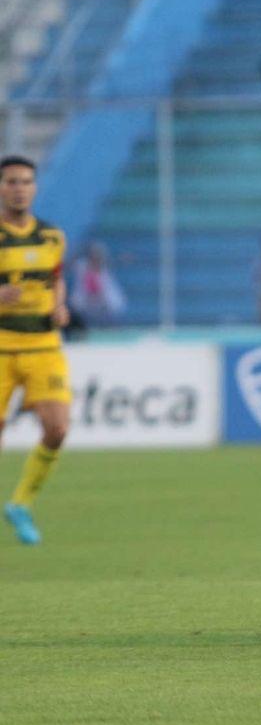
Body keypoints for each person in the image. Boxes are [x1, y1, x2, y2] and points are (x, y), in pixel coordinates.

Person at [0, 157, 71, 546]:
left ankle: (21, 503)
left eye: (26, 182)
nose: (19, 188)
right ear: (1, 188)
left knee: (57, 428)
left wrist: (60, 306)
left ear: (35, 188)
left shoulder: (52, 237)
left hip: (44, 344)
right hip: (1, 346)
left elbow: (56, 278)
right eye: (12, 182)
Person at [68, 242, 126, 327]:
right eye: (93, 256)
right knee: (75, 303)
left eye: (98, 256)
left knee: (115, 303)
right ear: (89, 256)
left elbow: (119, 260)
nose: (96, 259)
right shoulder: (81, 266)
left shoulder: (105, 269)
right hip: (85, 299)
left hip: (102, 300)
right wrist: (78, 251)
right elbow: (69, 264)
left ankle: (111, 327)